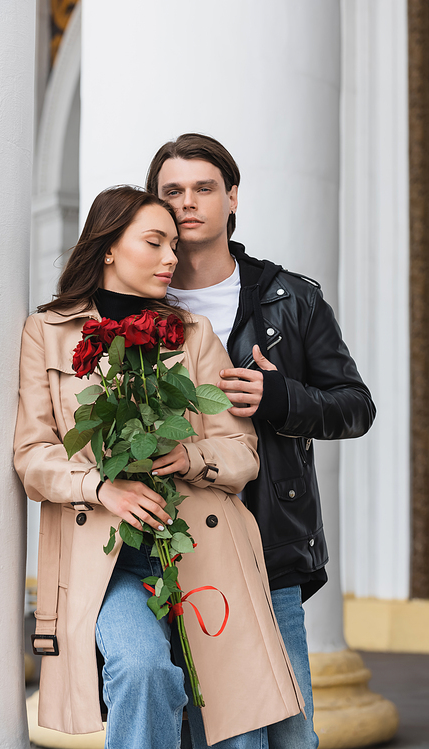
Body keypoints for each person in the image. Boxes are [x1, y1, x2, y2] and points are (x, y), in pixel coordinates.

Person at [14, 186, 305, 749]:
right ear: (107, 248)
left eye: (174, 243)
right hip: (105, 561)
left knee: (234, 714)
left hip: (199, 550)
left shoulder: (193, 335)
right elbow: (32, 455)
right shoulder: (46, 332)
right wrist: (103, 488)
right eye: (155, 242)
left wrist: (191, 456)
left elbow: (242, 452)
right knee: (142, 670)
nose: (173, 257)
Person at [146, 134, 377, 749]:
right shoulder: (139, 306)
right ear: (156, 204)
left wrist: (281, 400)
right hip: (177, 546)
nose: (188, 202)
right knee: (213, 736)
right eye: (173, 191)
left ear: (232, 197)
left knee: (293, 737)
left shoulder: (291, 298)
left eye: (204, 188)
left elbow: (356, 408)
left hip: (270, 546)